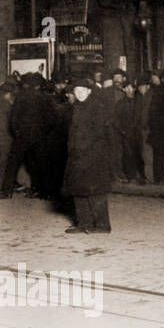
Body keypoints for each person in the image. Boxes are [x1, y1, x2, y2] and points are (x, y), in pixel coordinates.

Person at [63, 77, 115, 234]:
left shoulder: (97, 107)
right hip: (77, 155)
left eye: (82, 91)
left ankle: (102, 225)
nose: (79, 93)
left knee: (96, 191)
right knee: (78, 190)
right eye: (76, 91)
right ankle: (83, 223)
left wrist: (84, 148)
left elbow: (99, 133)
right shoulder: (75, 107)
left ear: (89, 91)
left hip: (93, 156)